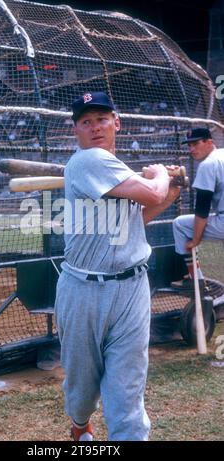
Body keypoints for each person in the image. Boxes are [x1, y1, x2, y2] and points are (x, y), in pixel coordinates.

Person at [54, 91, 181, 441]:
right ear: (76, 131)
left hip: (131, 288)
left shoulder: (117, 169)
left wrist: (170, 191)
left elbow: (136, 219)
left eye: (101, 119)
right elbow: (153, 193)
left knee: (127, 390)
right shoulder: (87, 161)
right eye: (86, 122)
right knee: (81, 386)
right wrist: (161, 177)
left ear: (117, 123)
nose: (95, 127)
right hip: (83, 289)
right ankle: (80, 425)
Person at [172, 127, 224, 289]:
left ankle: (196, 279)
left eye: (195, 144)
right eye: (189, 145)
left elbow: (202, 210)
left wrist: (195, 240)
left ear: (209, 142)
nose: (191, 149)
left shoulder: (208, 164)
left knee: (180, 225)